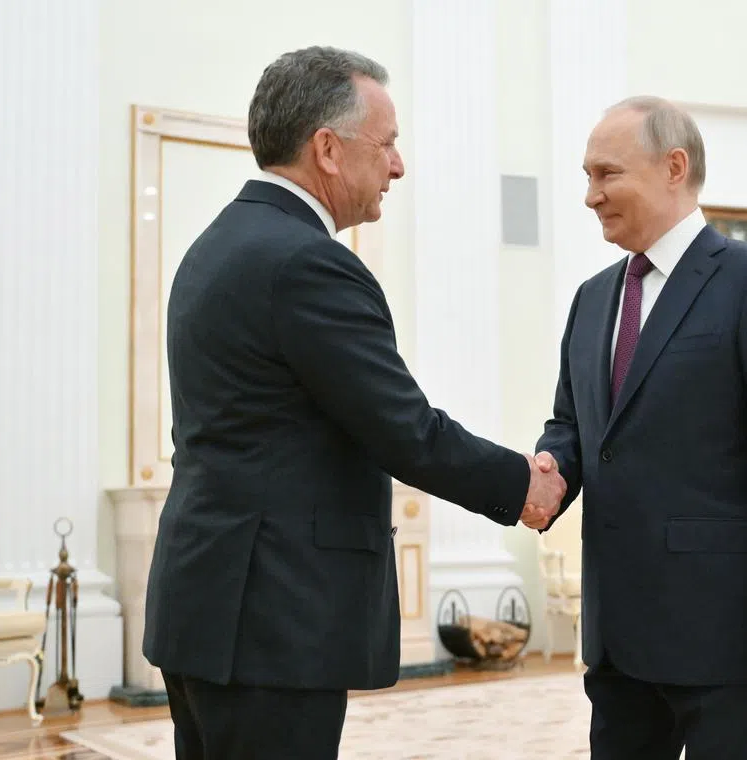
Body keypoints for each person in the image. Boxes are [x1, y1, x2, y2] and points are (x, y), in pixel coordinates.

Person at [142, 46, 565, 760]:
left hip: (208, 604)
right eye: (389, 143)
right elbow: (403, 430)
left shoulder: (217, 244)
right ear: (328, 149)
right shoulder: (308, 262)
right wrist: (523, 483)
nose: (398, 165)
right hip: (271, 619)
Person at [530, 96, 747, 759]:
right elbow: (573, 426)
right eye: (586, 176)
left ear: (674, 167)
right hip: (617, 642)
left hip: (725, 642)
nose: (590, 195)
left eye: (607, 174)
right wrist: (549, 474)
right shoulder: (591, 298)